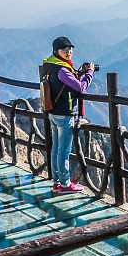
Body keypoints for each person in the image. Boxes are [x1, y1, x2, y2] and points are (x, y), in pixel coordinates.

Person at [41, 36, 98, 193]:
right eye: (64, 50)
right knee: (63, 151)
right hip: (64, 114)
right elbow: (80, 87)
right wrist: (90, 73)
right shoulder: (62, 69)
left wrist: (79, 73)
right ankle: (65, 184)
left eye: (70, 49)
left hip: (53, 112)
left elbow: (64, 82)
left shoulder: (49, 65)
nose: (69, 52)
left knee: (56, 149)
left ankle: (57, 182)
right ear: (56, 51)